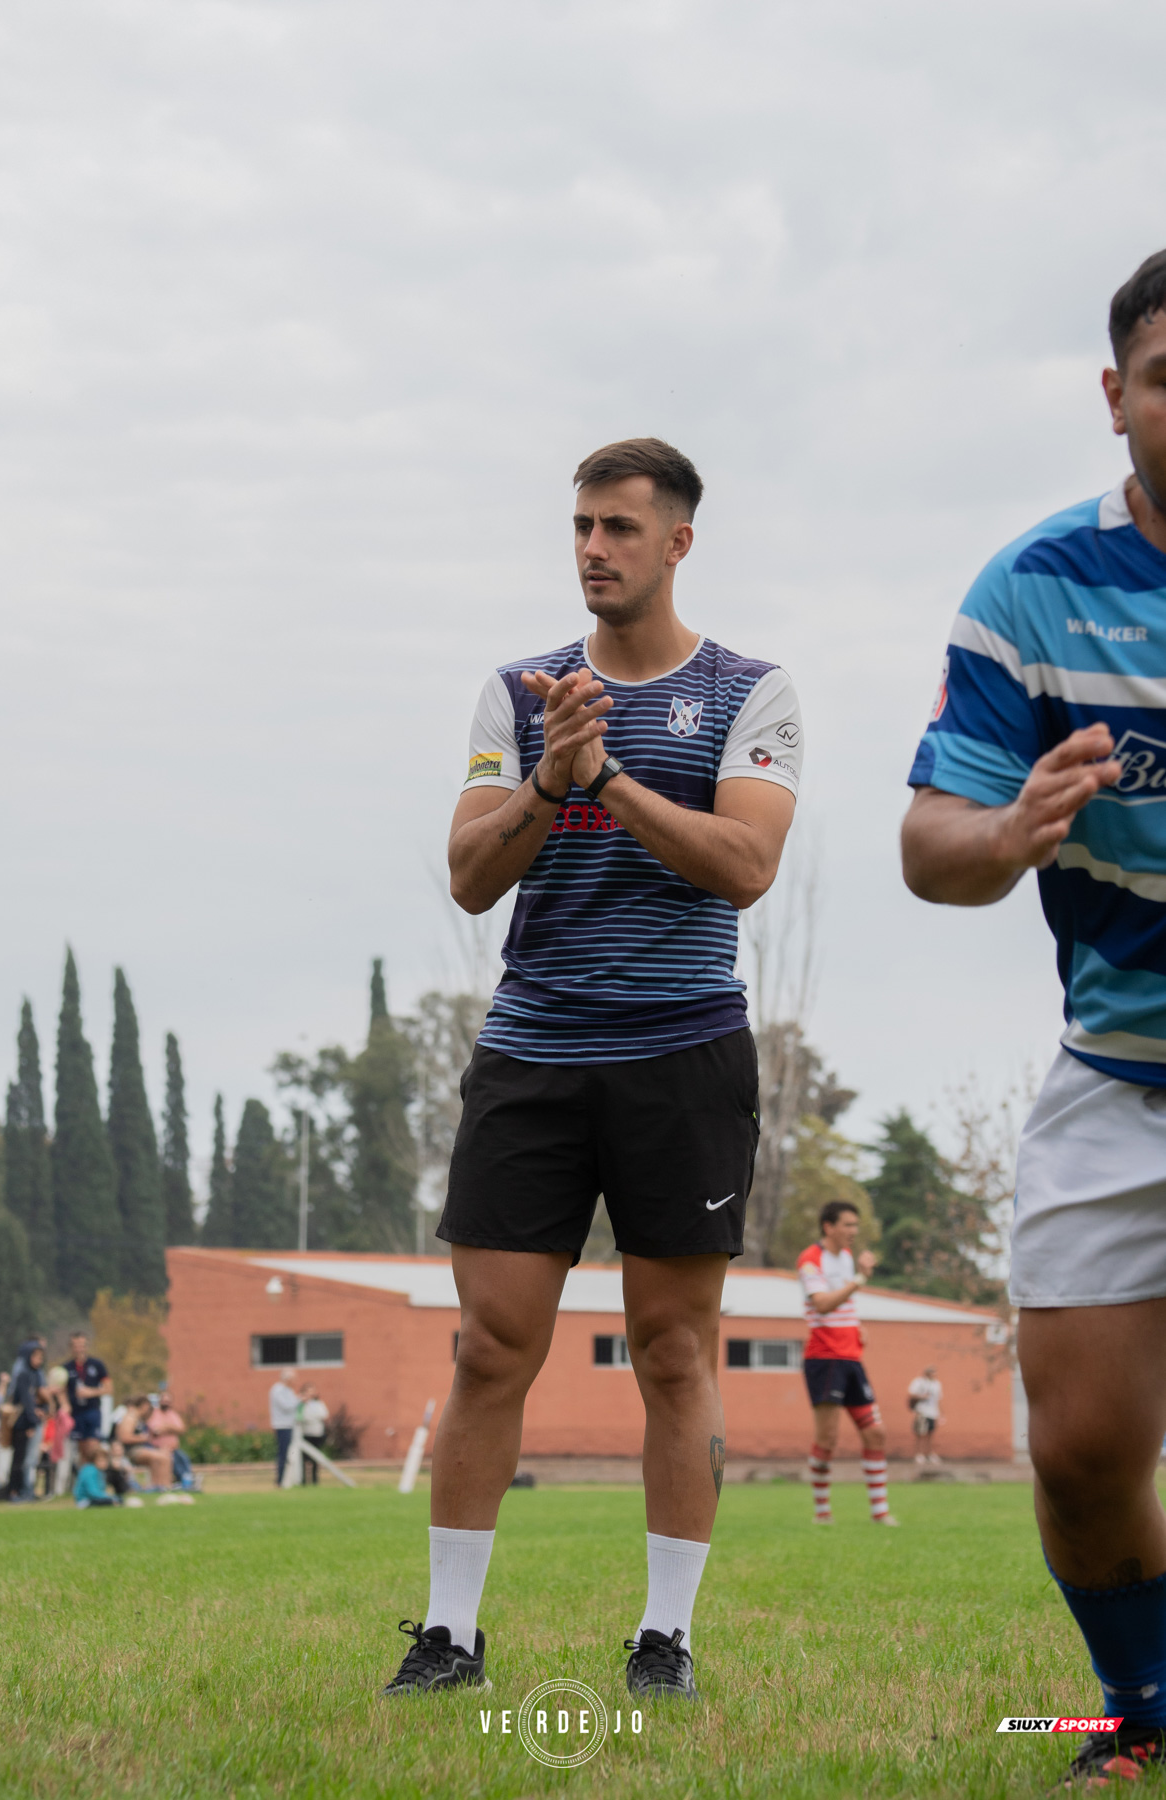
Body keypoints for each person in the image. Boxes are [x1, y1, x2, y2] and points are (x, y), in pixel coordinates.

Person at [381, 438, 801, 1701]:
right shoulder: (517, 693)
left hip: (683, 1055)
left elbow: (743, 866)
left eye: (619, 528)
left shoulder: (751, 691)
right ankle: (450, 1636)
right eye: (579, 526)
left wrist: (603, 777)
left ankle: (663, 1637)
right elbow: (466, 879)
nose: (593, 550)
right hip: (534, 1056)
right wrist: (550, 782)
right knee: (489, 1347)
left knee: (672, 1352)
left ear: (677, 541)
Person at [901, 249, 1166, 1785]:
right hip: (1117, 1077)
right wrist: (1005, 836)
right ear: (1114, 396)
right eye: (1164, 375)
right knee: (1076, 1454)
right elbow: (928, 843)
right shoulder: (1031, 591)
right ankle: (1134, 1705)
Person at [797, 1202, 896, 1528]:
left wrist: (857, 1326)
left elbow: (843, 1305)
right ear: (828, 1226)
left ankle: (880, 1512)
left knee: (876, 1433)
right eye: (848, 1224)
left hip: (851, 1358)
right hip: (824, 1360)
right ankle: (821, 1511)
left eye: (856, 1225)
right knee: (827, 1441)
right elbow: (822, 1304)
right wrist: (860, 1279)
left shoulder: (846, 1258)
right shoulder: (811, 1259)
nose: (854, 1231)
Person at [7, 1344, 49, 1502]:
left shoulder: (35, 1374)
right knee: (19, 1458)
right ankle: (15, 1492)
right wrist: (32, 1423)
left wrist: (42, 1410)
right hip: (23, 1424)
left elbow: (39, 1398)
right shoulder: (23, 1374)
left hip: (32, 1421)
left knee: (30, 1459)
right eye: (36, 1356)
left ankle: (27, 1489)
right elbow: (26, 1401)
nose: (39, 1360)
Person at [64, 1331, 111, 1444]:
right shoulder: (66, 1368)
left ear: (86, 1346)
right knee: (80, 1448)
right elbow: (62, 1391)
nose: (78, 1349)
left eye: (81, 1345)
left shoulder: (97, 1364)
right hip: (75, 1413)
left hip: (92, 1410)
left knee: (93, 1445)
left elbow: (109, 1389)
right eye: (75, 1346)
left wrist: (91, 1392)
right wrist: (64, 1404)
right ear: (71, 1347)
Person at [115, 1397, 173, 1489]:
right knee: (160, 1457)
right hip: (131, 1452)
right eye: (148, 1406)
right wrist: (142, 1438)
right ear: (143, 1405)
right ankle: (159, 1487)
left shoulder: (140, 1419)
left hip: (142, 1449)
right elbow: (124, 1438)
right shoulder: (130, 1417)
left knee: (165, 1455)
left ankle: (164, 1486)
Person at [148, 1391, 195, 1489]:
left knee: (184, 1460)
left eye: (168, 1401)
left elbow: (182, 1429)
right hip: (158, 1449)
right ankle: (177, 1483)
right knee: (173, 1462)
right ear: (159, 1401)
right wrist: (172, 1429)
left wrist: (167, 1427)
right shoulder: (154, 1414)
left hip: (174, 1449)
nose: (165, 1403)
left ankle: (186, 1482)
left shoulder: (173, 1414)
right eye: (164, 1400)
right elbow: (156, 1431)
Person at [269, 1369, 300, 1485]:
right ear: (287, 1379)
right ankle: (280, 1480)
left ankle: (287, 1478)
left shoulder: (289, 1390)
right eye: (294, 1378)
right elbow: (286, 1406)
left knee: (288, 1453)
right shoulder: (277, 1390)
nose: (295, 1381)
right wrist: (300, 1400)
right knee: (283, 1453)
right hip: (282, 1425)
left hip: (290, 1424)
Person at [907, 1366, 942, 1464]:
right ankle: (919, 1454)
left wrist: (940, 1414)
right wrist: (922, 1396)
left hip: (932, 1412)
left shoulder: (937, 1384)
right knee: (920, 1433)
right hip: (921, 1411)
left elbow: (938, 1400)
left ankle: (929, 1454)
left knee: (930, 1433)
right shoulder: (919, 1382)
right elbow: (911, 1394)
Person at [74, 1442, 120, 1509]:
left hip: (92, 1499)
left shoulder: (99, 1472)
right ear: (94, 1460)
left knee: (118, 1499)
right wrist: (108, 1497)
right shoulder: (90, 1471)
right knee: (111, 1501)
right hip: (85, 1501)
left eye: (105, 1460)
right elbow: (93, 1492)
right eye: (101, 1460)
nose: (104, 1463)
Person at [299, 1386, 329, 1484]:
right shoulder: (301, 1404)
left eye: (312, 1391)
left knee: (315, 1458)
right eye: (308, 1391)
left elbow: (324, 1414)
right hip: (305, 1434)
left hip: (317, 1434)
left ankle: (315, 1480)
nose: (311, 1394)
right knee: (304, 1459)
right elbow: (302, 1417)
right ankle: (303, 1480)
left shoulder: (319, 1403)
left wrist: (312, 1416)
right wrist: (313, 1416)